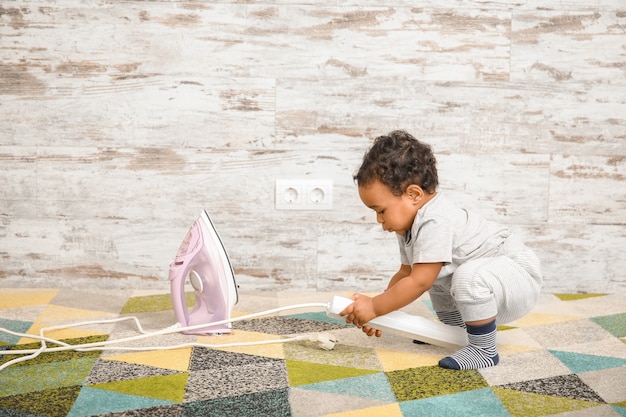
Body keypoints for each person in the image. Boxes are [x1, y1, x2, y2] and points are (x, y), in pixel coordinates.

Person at [339, 130, 543, 370]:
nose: (378, 219)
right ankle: (452, 333)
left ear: (413, 194)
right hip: (494, 281)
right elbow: (406, 274)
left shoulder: (436, 220)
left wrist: (374, 306)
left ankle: (484, 350)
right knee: (436, 274)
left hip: (517, 276)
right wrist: (382, 311)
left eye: (381, 210)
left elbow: (418, 283)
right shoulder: (408, 227)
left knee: (456, 276)